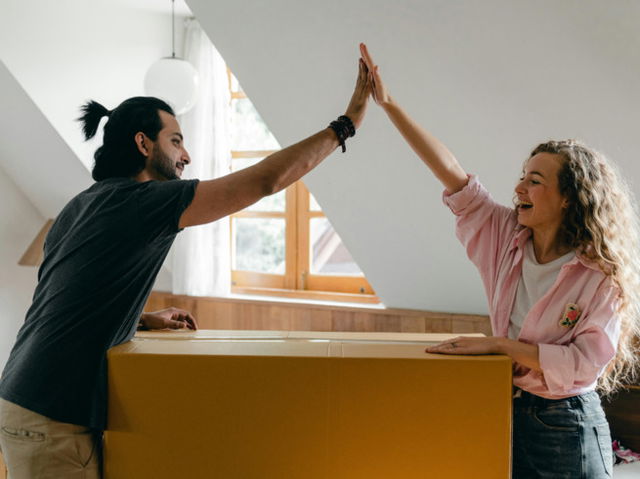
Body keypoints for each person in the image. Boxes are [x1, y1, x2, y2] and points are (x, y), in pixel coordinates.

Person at [0, 59, 371, 478]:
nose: (186, 155)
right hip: (51, 416)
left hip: (22, 394)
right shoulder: (147, 202)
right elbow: (264, 182)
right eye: (176, 141)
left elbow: (66, 299)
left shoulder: (81, 203)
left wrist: (140, 319)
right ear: (143, 144)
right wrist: (346, 125)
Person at [360, 43, 640, 477]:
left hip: (566, 423)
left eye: (535, 180)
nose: (520, 188)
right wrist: (389, 105)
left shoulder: (601, 274)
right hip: (505, 409)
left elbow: (583, 364)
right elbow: (451, 170)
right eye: (522, 177)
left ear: (569, 198)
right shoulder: (503, 236)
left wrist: (498, 346)